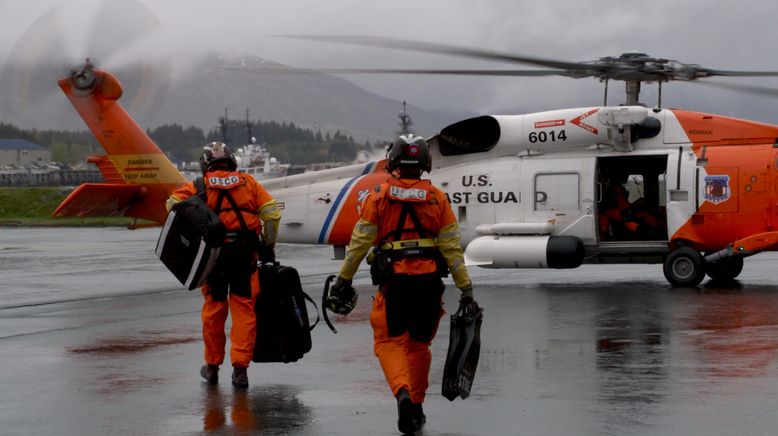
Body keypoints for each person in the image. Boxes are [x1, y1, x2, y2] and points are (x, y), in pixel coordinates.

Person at [327, 134, 475, 434]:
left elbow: (358, 243)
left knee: (388, 342)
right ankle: (417, 406)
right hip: (430, 284)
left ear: (393, 161)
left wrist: (344, 278)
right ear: (424, 164)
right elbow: (452, 249)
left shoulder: (379, 197)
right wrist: (466, 288)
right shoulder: (437, 199)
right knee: (420, 345)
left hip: (394, 283)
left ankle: (402, 393)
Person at [166, 142, 281, 388]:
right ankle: (240, 371)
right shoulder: (249, 183)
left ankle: (212, 366)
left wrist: (197, 223)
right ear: (231, 161)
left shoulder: (198, 186)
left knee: (214, 311)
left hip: (213, 259)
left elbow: (171, 204)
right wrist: (268, 245)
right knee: (244, 311)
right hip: (244, 257)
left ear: (205, 163)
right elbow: (272, 213)